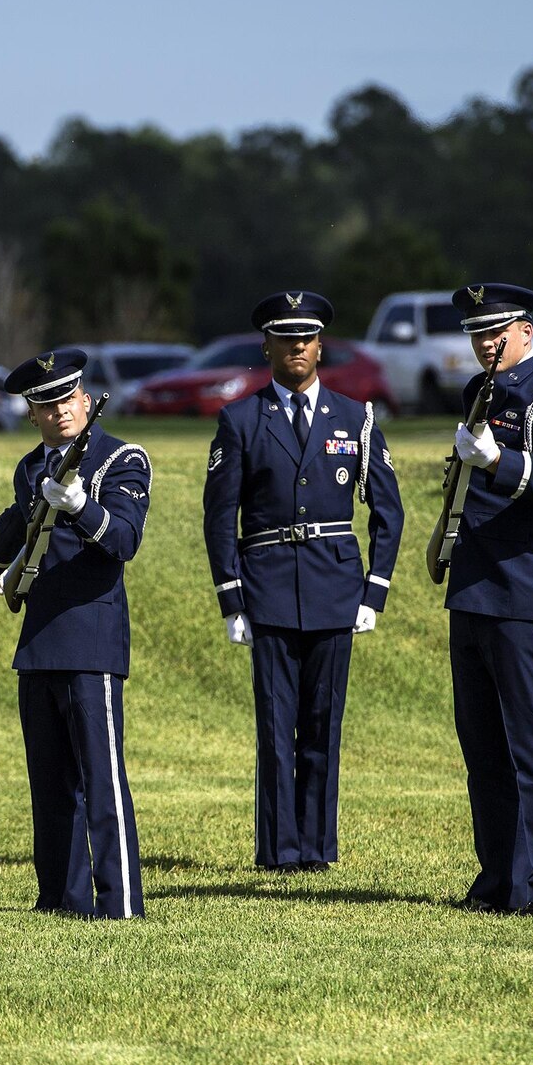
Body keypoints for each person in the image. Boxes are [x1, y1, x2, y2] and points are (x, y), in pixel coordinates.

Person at [202, 291, 403, 872]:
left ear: (320, 346)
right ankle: (279, 849)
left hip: (335, 588)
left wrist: (376, 589)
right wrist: (230, 597)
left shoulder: (355, 417)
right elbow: (220, 516)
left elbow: (388, 511)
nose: (297, 347)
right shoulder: (240, 419)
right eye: (285, 338)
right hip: (266, 590)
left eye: (307, 338)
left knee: (322, 727)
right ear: (266, 346)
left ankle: (317, 848)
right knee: (274, 728)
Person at [0, 350, 149, 919]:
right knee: (49, 785)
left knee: (102, 780)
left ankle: (119, 901)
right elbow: (22, 523)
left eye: (69, 398)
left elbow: (123, 541)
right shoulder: (29, 467)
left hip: (91, 633)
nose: (61, 411)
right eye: (47, 404)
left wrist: (79, 505)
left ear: (84, 398)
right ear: (32, 413)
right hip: (39, 637)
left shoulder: (121, 457)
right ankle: (61, 898)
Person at [442, 283, 533, 914]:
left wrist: (501, 460)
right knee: (484, 753)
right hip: (474, 588)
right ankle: (500, 879)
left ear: (526, 331)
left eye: (494, 333)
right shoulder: (480, 392)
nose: (483, 344)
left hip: (529, 591)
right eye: (476, 334)